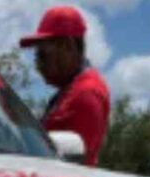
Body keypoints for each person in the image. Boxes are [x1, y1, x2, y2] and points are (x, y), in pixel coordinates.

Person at [19, 6, 111, 166]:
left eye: (42, 55)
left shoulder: (85, 93)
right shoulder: (71, 90)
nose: (38, 64)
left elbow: (62, 165)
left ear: (67, 46)